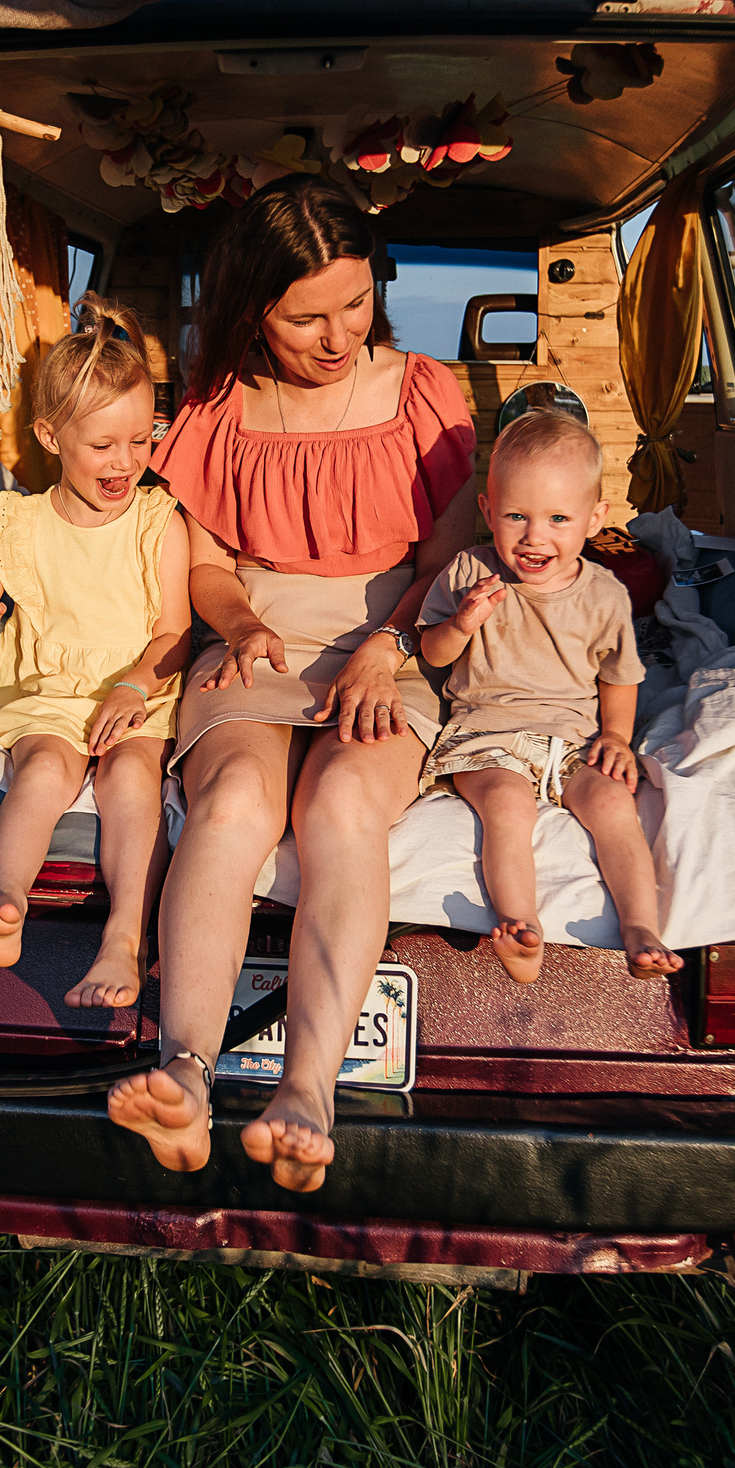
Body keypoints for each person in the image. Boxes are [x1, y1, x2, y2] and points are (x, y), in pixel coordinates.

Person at [105, 176, 478, 1193]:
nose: (336, 336)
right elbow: (209, 564)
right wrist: (241, 627)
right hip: (258, 641)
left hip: (390, 639)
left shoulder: (426, 393)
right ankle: (183, 1068)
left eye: (354, 305)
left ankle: (306, 1090)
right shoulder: (218, 409)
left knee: (345, 806)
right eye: (304, 317)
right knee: (229, 804)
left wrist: (390, 648)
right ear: (249, 309)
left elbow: (452, 550)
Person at [0, 296, 190, 1011]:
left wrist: (135, 688)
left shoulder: (157, 520)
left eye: (141, 441)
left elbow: (175, 632)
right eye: (103, 446)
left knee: (132, 782)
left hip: (136, 689)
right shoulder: (20, 523)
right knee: (47, 767)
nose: (126, 463)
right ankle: (7, 904)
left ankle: (123, 936)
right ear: (50, 435)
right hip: (48, 689)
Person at [415, 410, 681, 984]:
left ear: (594, 520)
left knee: (614, 805)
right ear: (487, 511)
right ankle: (520, 927)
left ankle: (641, 928)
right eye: (516, 516)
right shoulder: (469, 571)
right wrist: (461, 624)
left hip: (572, 738)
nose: (535, 536)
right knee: (507, 806)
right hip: (485, 734)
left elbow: (619, 674)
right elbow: (432, 653)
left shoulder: (605, 595)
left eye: (559, 518)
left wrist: (615, 736)